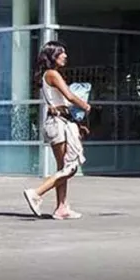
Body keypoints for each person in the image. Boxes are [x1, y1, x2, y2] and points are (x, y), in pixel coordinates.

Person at [22, 41, 92, 220]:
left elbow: (60, 103)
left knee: (64, 167)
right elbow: (69, 96)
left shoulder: (49, 75)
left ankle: (62, 207)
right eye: (62, 53)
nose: (65, 56)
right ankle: (36, 193)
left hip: (60, 121)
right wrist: (85, 105)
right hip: (58, 124)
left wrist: (75, 121)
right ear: (53, 56)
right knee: (70, 167)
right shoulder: (52, 74)